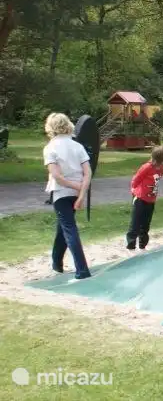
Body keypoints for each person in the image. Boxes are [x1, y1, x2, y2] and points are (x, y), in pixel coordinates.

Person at [42, 113, 92, 279]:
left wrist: (77, 189)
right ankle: (57, 263)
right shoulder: (77, 146)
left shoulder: (50, 148)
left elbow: (57, 176)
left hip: (62, 193)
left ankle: (82, 269)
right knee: (62, 227)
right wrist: (81, 193)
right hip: (75, 192)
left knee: (69, 228)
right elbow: (87, 173)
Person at [127, 145, 163, 251]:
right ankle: (131, 246)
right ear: (161, 158)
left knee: (146, 224)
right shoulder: (147, 167)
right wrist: (134, 191)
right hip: (140, 199)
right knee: (135, 223)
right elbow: (135, 180)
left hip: (151, 200)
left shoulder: (161, 168)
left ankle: (142, 246)